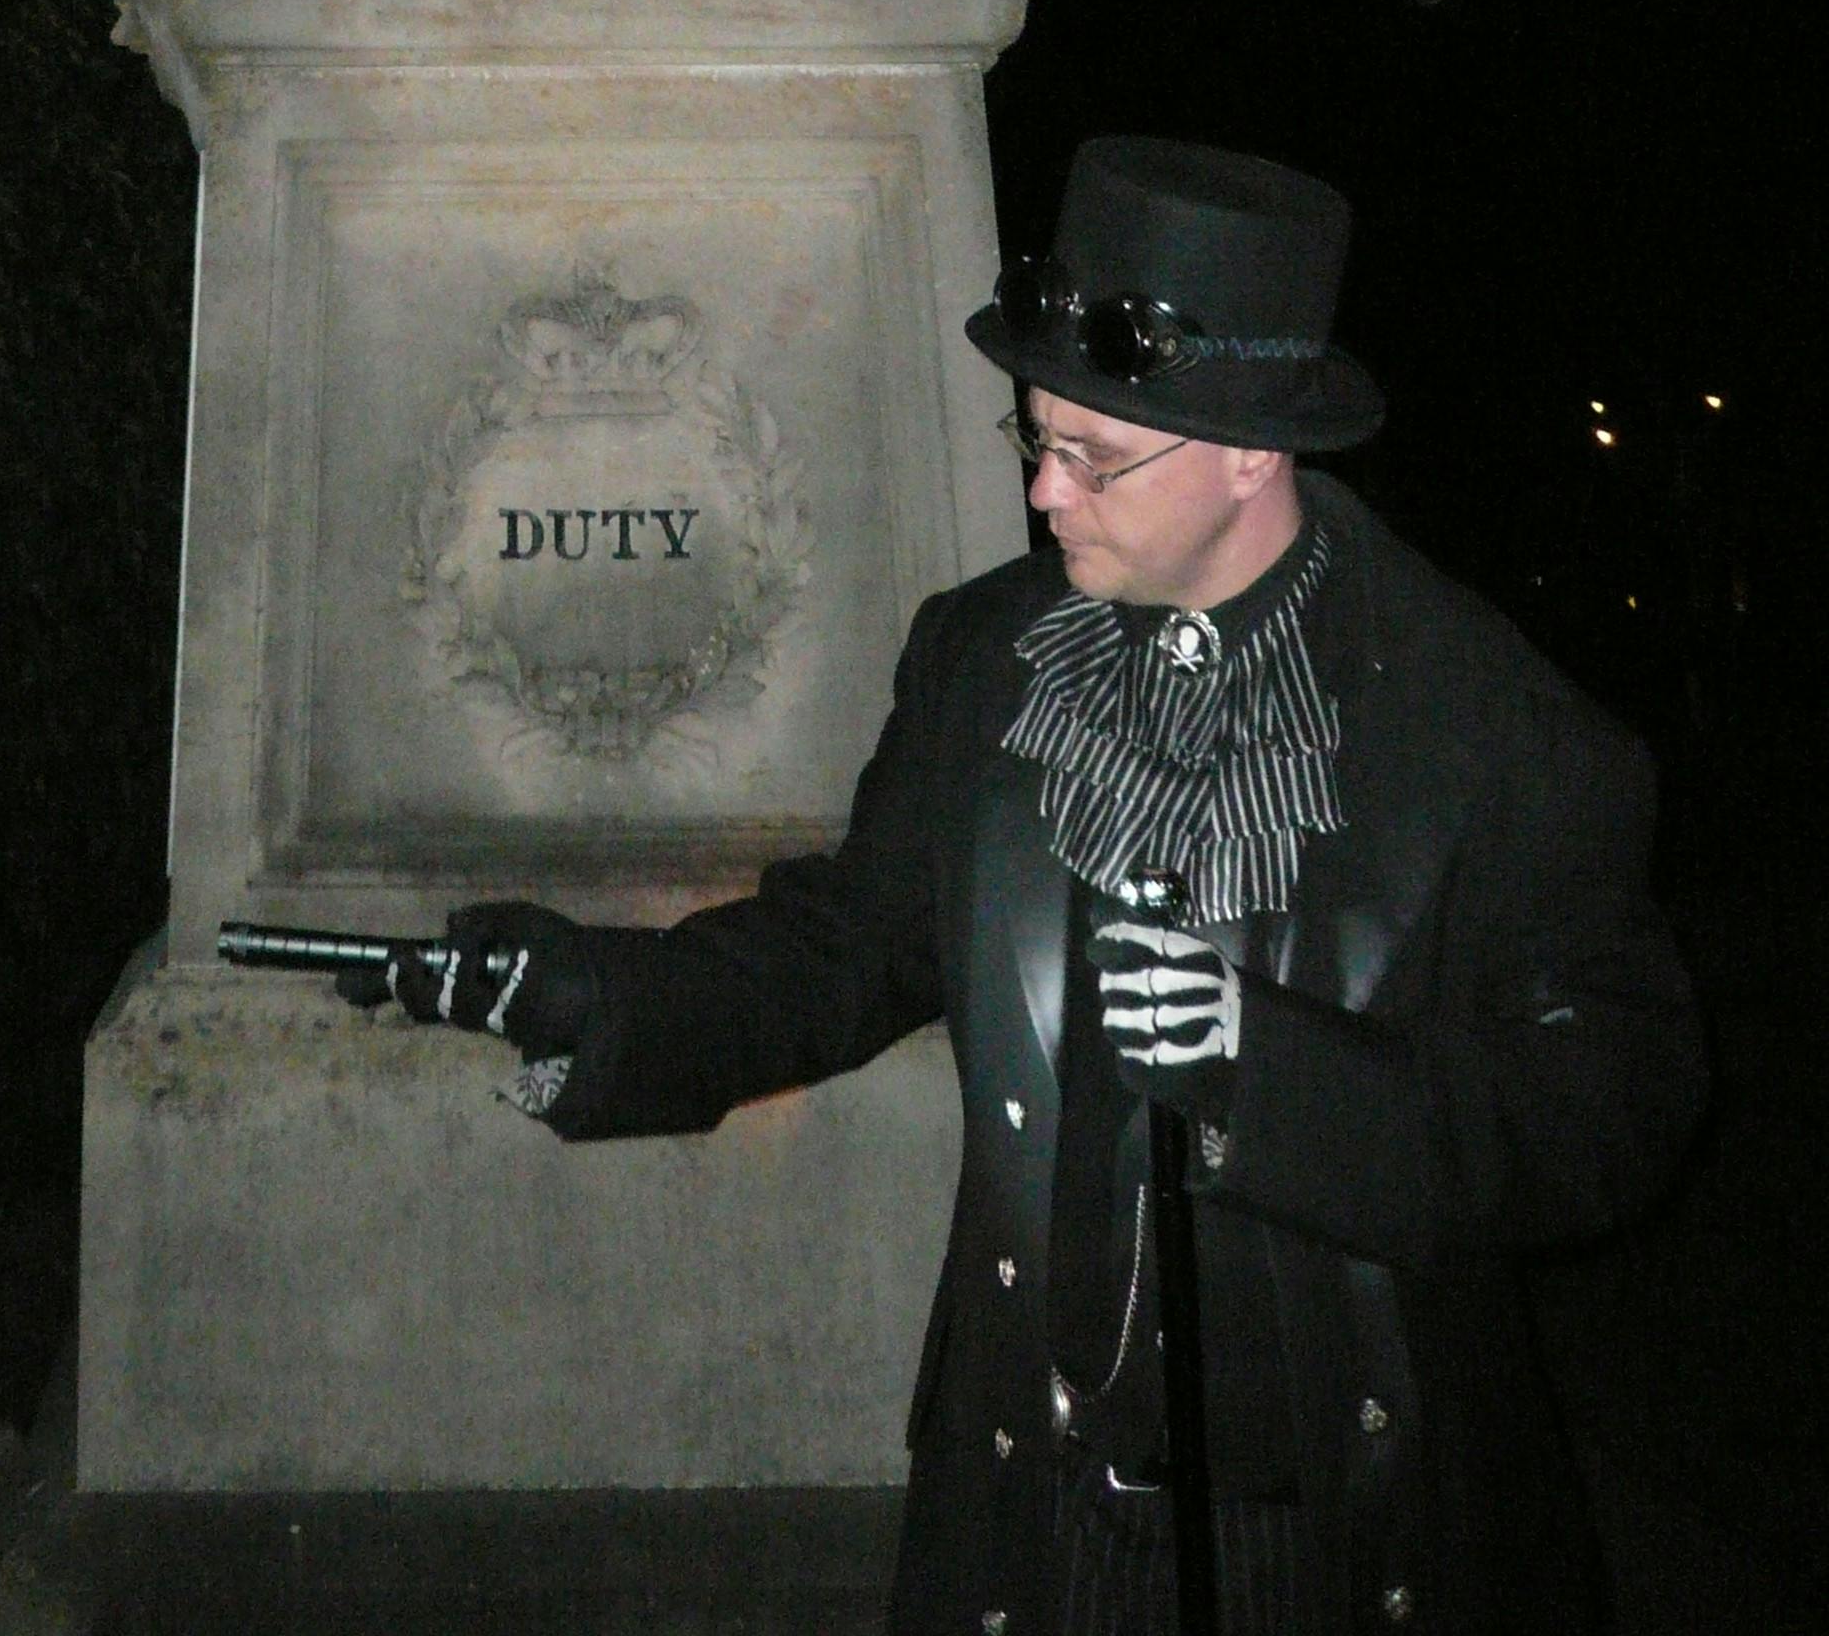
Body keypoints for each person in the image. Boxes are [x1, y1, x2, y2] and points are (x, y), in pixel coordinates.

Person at [338, 136, 1706, 1636]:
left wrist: (1270, 1070)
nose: (1046, 491)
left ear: (1251, 446)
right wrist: (595, 991)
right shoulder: (983, 659)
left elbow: (1612, 1113)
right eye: (1032, 436)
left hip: (1343, 1532)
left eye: (1096, 455)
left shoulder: (1489, 728)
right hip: (1035, 1511)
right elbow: (850, 949)